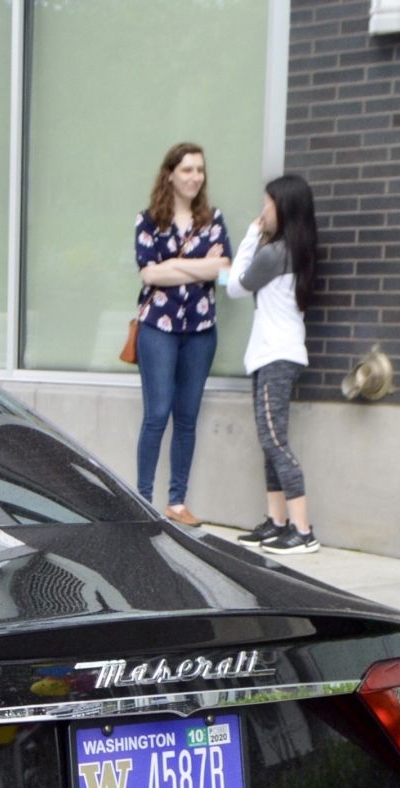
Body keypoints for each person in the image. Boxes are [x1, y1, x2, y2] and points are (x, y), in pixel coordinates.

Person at [131, 143, 232, 525]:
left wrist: (174, 264)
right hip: (158, 328)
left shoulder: (214, 218)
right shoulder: (148, 221)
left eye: (200, 170)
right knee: (157, 415)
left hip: (201, 331)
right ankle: (141, 501)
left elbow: (224, 272)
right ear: (170, 173)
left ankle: (176, 502)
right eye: (187, 169)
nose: (195, 177)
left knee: (186, 417)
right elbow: (149, 274)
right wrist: (199, 265)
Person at [222, 174, 321, 555]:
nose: (262, 210)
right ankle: (277, 522)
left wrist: (250, 233)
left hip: (276, 356)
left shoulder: (274, 253)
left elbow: (235, 287)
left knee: (275, 441)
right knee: (270, 442)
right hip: (276, 354)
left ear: (283, 207)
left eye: (267, 203)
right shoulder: (294, 251)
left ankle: (302, 530)